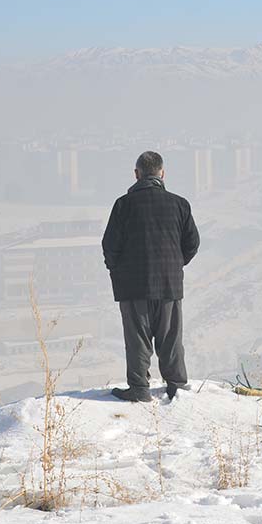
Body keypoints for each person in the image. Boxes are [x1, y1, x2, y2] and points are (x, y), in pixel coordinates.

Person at [102, 151, 200, 402]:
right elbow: (192, 243)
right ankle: (176, 385)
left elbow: (110, 246)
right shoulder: (179, 204)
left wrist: (118, 270)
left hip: (133, 286)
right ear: (162, 174)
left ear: (136, 174)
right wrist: (176, 264)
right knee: (170, 338)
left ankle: (139, 389)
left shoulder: (123, 205)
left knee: (137, 338)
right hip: (169, 284)